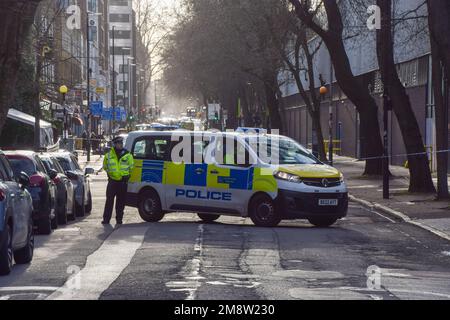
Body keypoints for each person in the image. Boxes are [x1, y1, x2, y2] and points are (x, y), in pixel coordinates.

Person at [102, 136, 134, 225]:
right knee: (109, 201)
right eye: (119, 143)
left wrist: (127, 176)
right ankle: (106, 219)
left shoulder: (127, 154)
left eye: (121, 143)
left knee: (121, 202)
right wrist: (109, 174)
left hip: (123, 182)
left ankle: (119, 219)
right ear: (115, 144)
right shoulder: (108, 155)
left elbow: (131, 167)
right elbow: (105, 166)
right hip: (112, 181)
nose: (120, 145)